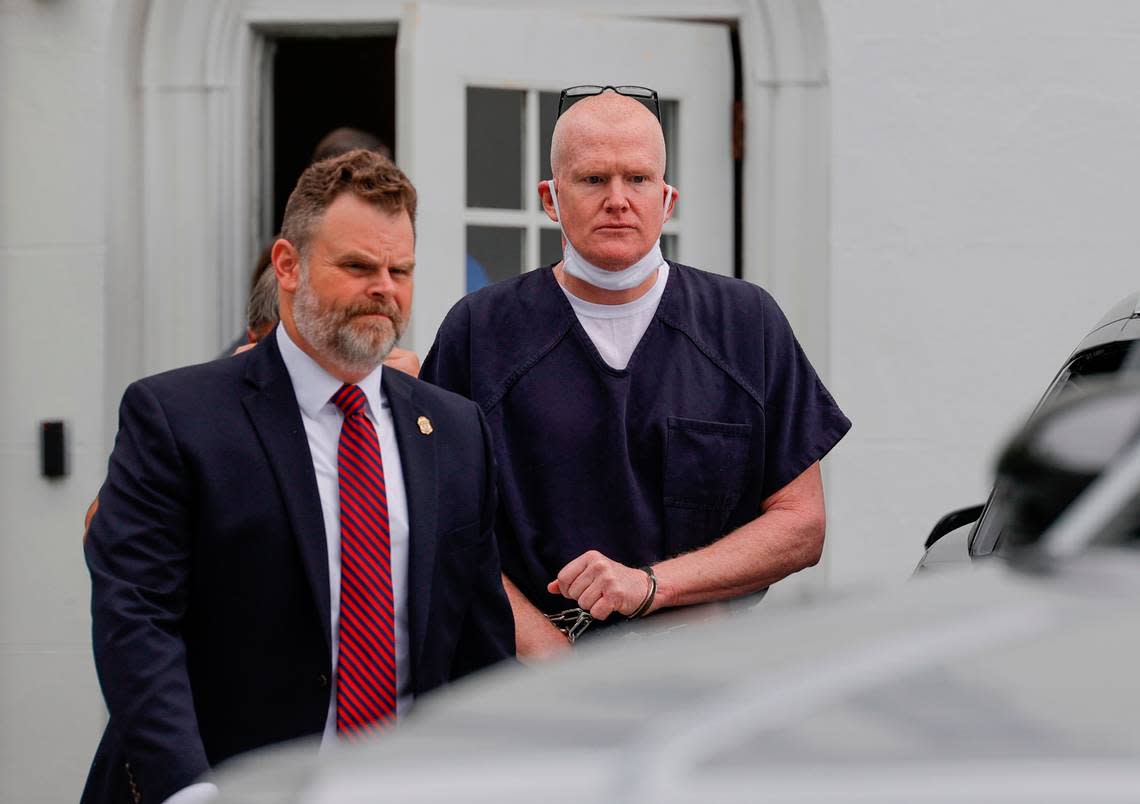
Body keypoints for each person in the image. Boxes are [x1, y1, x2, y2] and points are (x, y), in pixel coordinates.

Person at [82, 150, 514, 804]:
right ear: (288, 265)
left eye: (401, 270)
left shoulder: (456, 432)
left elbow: (480, 652)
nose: (385, 289)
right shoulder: (176, 418)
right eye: (358, 267)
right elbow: (136, 622)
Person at [421, 86, 850, 657]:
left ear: (668, 199)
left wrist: (651, 587)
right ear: (550, 198)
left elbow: (801, 525)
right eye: (594, 179)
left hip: (704, 670)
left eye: (638, 179)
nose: (618, 199)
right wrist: (548, 655)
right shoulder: (480, 332)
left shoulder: (745, 325)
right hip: (524, 678)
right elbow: (439, 523)